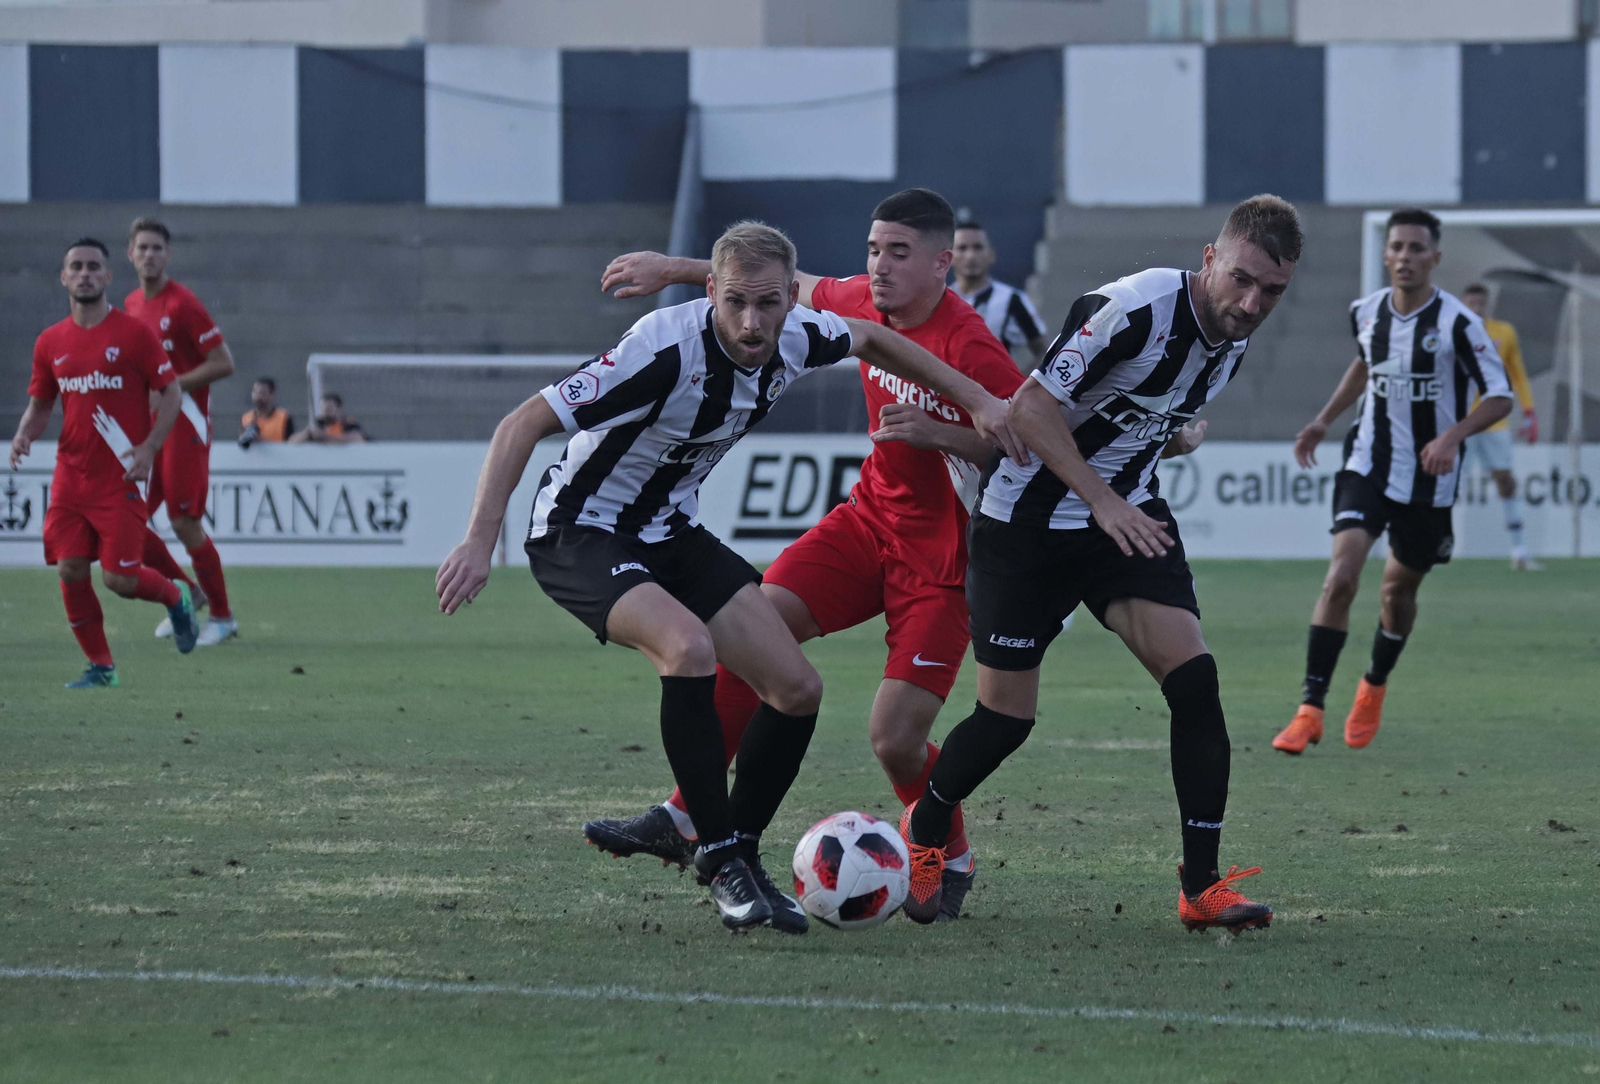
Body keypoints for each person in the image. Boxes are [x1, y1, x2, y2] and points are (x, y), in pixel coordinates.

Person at [435, 221, 1021, 935]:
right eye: (736, 302)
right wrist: (476, 541)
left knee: (797, 688)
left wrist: (985, 403)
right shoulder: (659, 349)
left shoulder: (801, 335)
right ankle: (720, 858)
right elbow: (522, 423)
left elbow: (871, 338)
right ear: (710, 292)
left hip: (671, 532)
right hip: (581, 532)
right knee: (688, 649)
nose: (752, 322)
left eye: (769, 304)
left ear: (788, 301)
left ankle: (734, 845)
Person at [587, 189, 1026, 922]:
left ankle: (944, 850)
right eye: (872, 249)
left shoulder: (970, 343)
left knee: (895, 741)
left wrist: (942, 434)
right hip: (863, 527)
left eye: (898, 253)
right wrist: (676, 267)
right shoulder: (862, 297)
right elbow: (780, 284)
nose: (877, 267)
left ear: (944, 263)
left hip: (941, 564)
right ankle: (688, 815)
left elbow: (1021, 439)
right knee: (748, 632)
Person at [900, 195, 1303, 931]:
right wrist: (1102, 500)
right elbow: (1027, 408)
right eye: (1242, 279)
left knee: (1196, 683)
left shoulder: (1232, 343)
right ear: (1210, 258)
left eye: (1271, 291)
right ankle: (926, 828)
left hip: (1126, 522)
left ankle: (1201, 887)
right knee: (1004, 719)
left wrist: (1165, 442)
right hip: (1026, 526)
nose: (1252, 303)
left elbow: (1127, 413)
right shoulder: (1136, 307)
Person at [1275, 209, 1513, 757]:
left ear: (1435, 258)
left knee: (1396, 592)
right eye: (1397, 247)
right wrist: (1323, 419)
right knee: (1341, 578)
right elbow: (1365, 364)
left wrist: (1453, 436)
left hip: (1430, 480)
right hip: (1369, 464)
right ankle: (1309, 710)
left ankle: (1374, 685)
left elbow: (1498, 395)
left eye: (1415, 248)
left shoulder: (1458, 323)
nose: (1404, 257)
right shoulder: (1366, 313)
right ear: (1385, 254)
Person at [8, 238, 200, 686]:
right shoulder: (50, 341)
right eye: (76, 266)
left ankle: (177, 597)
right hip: (71, 478)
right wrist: (22, 435)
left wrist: (151, 446)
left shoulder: (134, 334)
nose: (85, 274)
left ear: (109, 277)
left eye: (94, 267)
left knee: (120, 581)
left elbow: (171, 391)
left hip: (121, 475)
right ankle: (102, 667)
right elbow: (40, 405)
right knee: (70, 569)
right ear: (63, 277)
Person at [124, 218, 240, 647]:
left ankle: (224, 618)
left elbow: (223, 363)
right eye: (143, 248)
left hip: (186, 424)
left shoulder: (182, 304)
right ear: (130, 254)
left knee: (183, 521)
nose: (149, 255)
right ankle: (187, 592)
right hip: (151, 430)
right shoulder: (131, 304)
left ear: (168, 255)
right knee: (129, 520)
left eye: (157, 248)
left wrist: (169, 386)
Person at [1460, 282, 1540, 570]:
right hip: (1462, 422)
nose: (1476, 308)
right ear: (1463, 303)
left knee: (1506, 481)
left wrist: (1529, 411)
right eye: (1471, 303)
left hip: (1494, 421)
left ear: (1488, 304)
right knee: (1449, 486)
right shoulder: (1453, 330)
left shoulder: (1503, 332)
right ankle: (1434, 548)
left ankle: (1519, 551)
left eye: (1481, 303)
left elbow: (1517, 373)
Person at [952, 220, 1049, 368]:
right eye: (962, 248)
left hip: (992, 390)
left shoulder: (1011, 299)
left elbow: (1043, 351)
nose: (970, 255)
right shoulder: (938, 299)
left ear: (991, 255)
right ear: (949, 256)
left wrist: (1021, 386)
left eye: (978, 247)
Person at [289, 394, 366, 444]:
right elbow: (291, 442)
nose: (325, 412)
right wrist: (308, 434)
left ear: (338, 409)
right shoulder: (318, 425)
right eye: (323, 409)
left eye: (329, 408)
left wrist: (325, 436)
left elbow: (358, 438)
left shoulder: (347, 425)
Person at [240, 377, 294, 444]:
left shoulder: (284, 418)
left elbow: (290, 444)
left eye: (262, 393)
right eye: (255, 392)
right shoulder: (246, 418)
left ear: (271, 394)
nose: (258, 397)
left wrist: (262, 441)